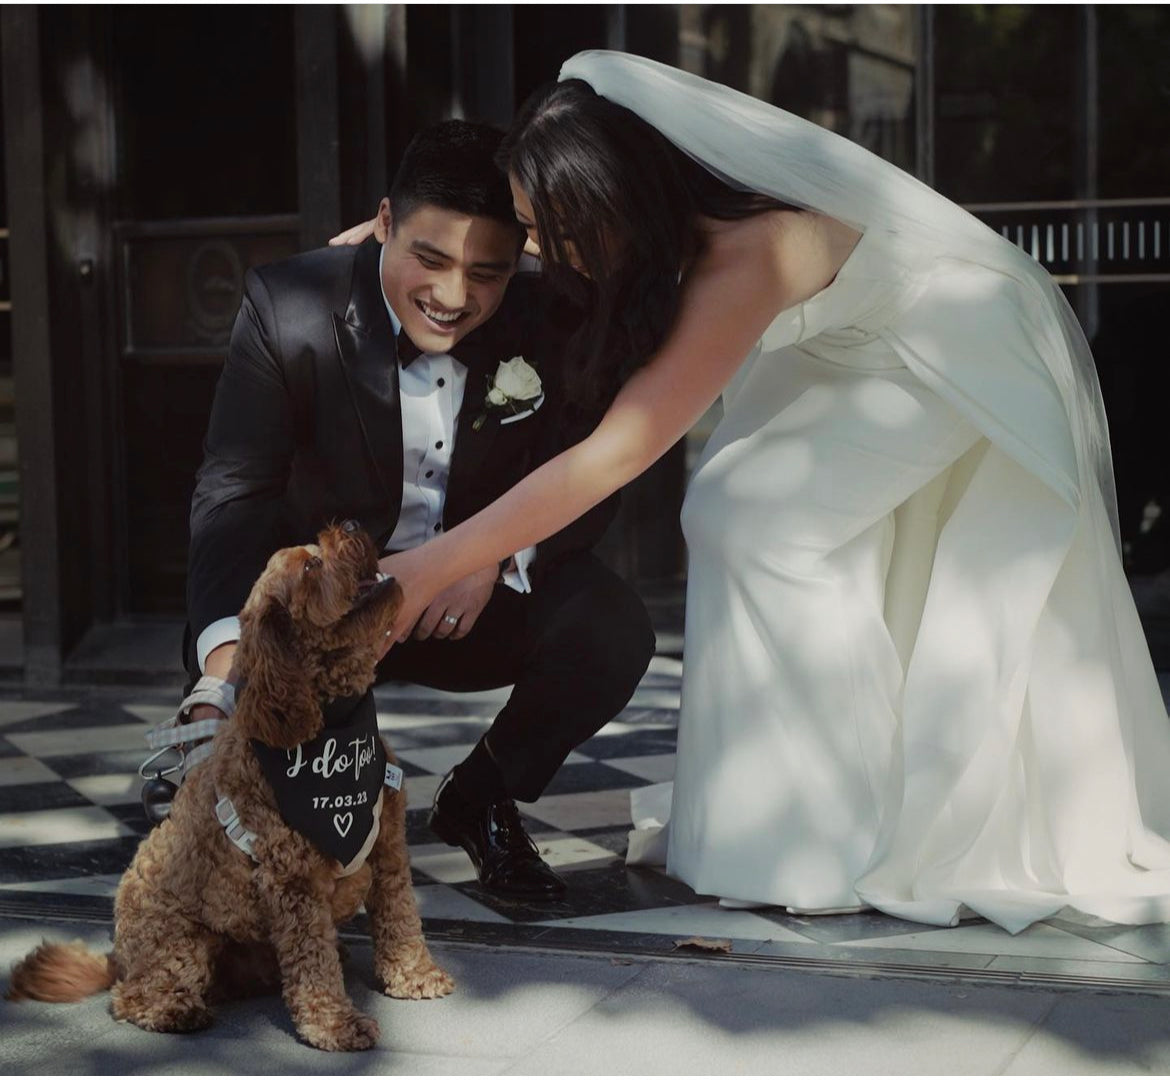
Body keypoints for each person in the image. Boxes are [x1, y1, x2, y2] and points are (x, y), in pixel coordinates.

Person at [361, 51, 1170, 933]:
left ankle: (834, 834)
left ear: (611, 206)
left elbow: (617, 453)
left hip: (952, 339)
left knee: (756, 523)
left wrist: (429, 567)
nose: (539, 252)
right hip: (844, 339)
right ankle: (780, 815)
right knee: (730, 509)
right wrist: (383, 244)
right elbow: (486, 190)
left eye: (548, 229)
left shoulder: (754, 251)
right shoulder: (598, 106)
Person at [178, 119, 655, 900]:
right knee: (309, 856)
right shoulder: (288, 305)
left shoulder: (554, 310)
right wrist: (223, 681)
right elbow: (235, 494)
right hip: (331, 612)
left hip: (472, 601)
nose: (453, 297)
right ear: (385, 222)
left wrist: (489, 558)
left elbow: (596, 464)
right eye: (428, 259)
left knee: (611, 626)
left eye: (488, 273)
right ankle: (248, 795)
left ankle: (480, 799)